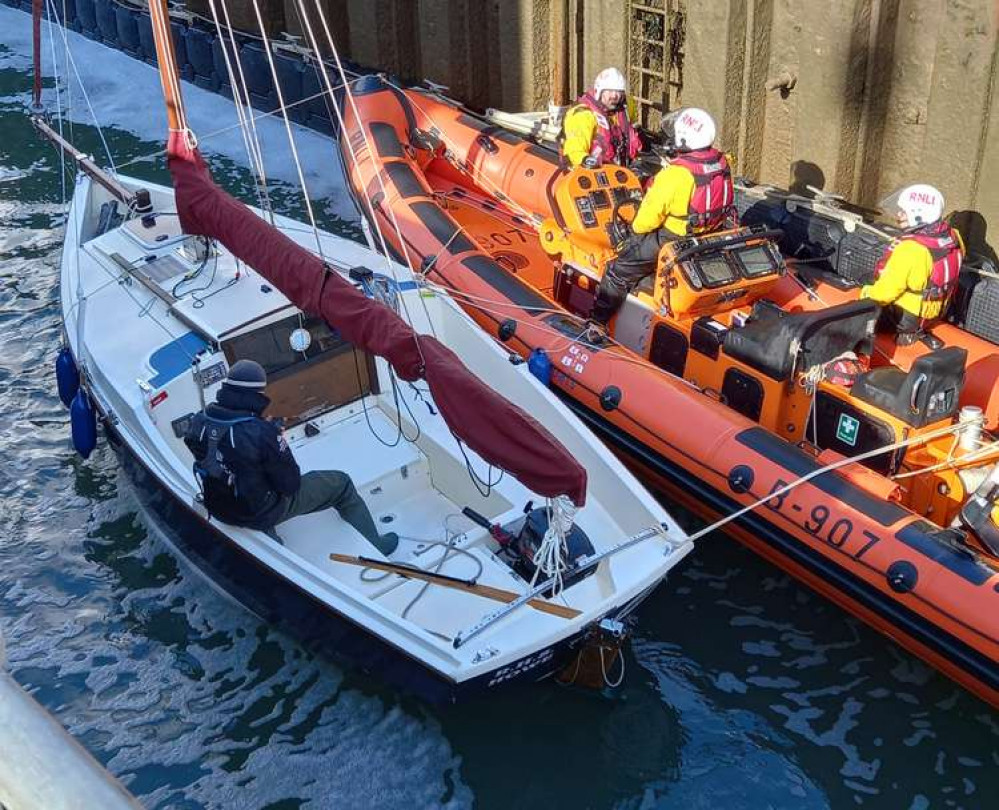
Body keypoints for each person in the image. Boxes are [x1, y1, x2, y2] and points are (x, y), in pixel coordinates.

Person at [184, 359, 397, 555]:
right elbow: (290, 485)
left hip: (220, 507)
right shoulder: (261, 433)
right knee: (341, 484)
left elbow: (219, 455)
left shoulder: (198, 421)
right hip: (259, 512)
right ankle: (378, 546)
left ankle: (269, 541)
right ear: (257, 393)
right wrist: (275, 437)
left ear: (227, 387)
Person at [589, 107, 734, 328]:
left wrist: (632, 232)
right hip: (711, 234)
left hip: (674, 238)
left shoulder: (675, 175)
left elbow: (647, 219)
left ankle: (597, 322)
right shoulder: (722, 163)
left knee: (619, 270)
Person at [860, 184, 964, 346]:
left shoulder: (910, 250)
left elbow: (884, 294)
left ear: (919, 215)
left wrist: (864, 295)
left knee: (864, 282)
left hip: (905, 319)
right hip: (937, 312)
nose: (899, 214)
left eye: (904, 211)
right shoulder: (953, 236)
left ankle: (901, 333)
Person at [561, 67, 642, 169]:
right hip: (593, 171)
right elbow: (574, 149)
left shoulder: (626, 107)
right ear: (599, 91)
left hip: (621, 169)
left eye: (618, 91)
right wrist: (586, 160)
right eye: (609, 91)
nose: (614, 96)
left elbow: (630, 129)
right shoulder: (583, 115)